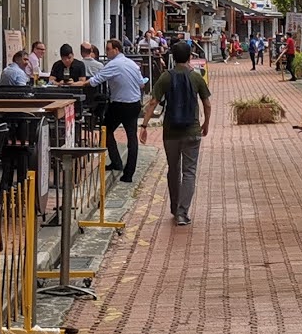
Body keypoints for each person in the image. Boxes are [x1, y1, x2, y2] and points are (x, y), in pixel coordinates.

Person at [140, 38, 212, 224]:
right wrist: (206, 124)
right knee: (189, 171)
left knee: (173, 169)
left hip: (171, 131)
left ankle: (174, 207)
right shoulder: (196, 77)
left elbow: (153, 102)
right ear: (189, 57)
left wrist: (145, 126)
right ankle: (182, 212)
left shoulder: (166, 76)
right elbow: (207, 104)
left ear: (172, 56)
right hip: (192, 130)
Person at [90, 37, 146, 182]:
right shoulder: (132, 63)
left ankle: (116, 162)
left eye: (108, 49)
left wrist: (80, 83)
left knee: (105, 130)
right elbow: (141, 84)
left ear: (116, 49)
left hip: (120, 104)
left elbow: (95, 80)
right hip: (134, 103)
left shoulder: (113, 64)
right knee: (131, 137)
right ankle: (128, 173)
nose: (106, 52)